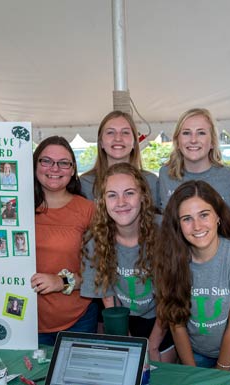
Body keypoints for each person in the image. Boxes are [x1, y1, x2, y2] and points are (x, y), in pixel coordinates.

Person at [154, 181, 230, 372]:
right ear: (177, 224)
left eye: (204, 215)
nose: (197, 226)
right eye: (187, 219)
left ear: (218, 216)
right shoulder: (170, 260)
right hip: (195, 349)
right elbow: (176, 325)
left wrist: (219, 372)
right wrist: (192, 373)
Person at [81, 163, 175, 362]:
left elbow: (170, 299)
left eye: (129, 193)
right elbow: (108, 298)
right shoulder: (96, 240)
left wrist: (153, 345)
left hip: (161, 318)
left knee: (161, 377)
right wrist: (130, 343)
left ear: (143, 196)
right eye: (112, 195)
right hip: (122, 318)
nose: (121, 202)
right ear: (102, 201)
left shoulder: (165, 233)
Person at [31, 136, 96, 345]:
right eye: (46, 161)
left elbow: (99, 274)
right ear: (35, 164)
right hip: (21, 321)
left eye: (63, 163)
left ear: (72, 169)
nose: (55, 168)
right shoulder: (12, 208)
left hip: (77, 321)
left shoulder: (87, 210)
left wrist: (61, 282)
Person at [158, 108, 230, 214]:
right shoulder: (165, 175)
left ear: (212, 142)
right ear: (177, 142)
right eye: (186, 133)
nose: (193, 140)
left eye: (201, 133)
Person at [81, 111, 159, 205]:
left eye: (125, 132)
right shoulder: (85, 183)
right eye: (110, 132)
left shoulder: (151, 182)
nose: (118, 138)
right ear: (101, 142)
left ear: (135, 142)